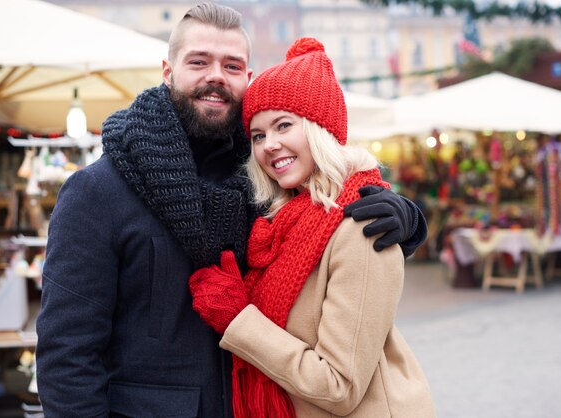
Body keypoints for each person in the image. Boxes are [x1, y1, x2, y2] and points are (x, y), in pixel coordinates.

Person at [35, 2, 425, 417]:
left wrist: (407, 219)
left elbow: (333, 210)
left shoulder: (269, 188)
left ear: (248, 79)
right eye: (199, 61)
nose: (216, 76)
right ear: (168, 72)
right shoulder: (97, 192)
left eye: (232, 66)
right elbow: (66, 357)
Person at [188, 37, 435, 418]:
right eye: (258, 135)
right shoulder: (276, 224)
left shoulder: (361, 225)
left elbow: (340, 387)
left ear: (321, 129)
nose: (269, 145)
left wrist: (240, 320)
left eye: (283, 125)